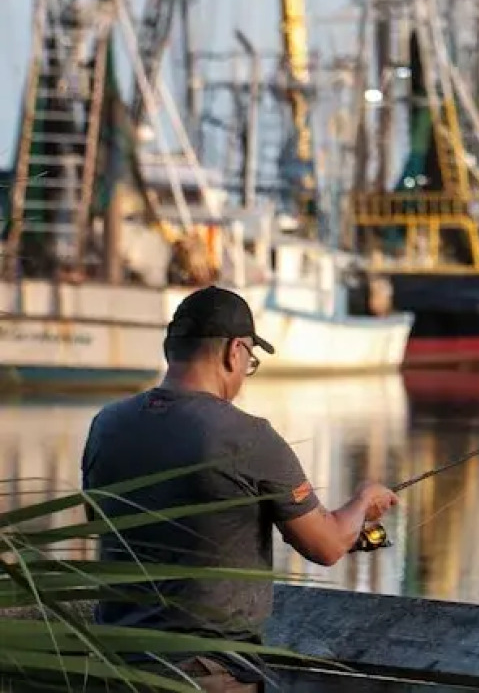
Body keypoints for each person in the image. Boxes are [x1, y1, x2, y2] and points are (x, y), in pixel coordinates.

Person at [79, 286, 399, 692]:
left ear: (169, 348)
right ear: (235, 351)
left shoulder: (107, 425)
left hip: (116, 668)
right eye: (251, 359)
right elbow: (329, 545)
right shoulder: (247, 437)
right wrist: (364, 500)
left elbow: (101, 521)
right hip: (207, 674)